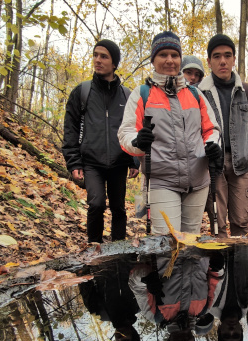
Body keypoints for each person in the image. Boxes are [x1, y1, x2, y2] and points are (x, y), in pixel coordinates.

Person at [119, 31, 221, 235]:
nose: (169, 60)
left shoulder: (195, 94)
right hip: (161, 179)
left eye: (174, 55)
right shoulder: (142, 94)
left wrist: (212, 144)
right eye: (163, 55)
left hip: (198, 179)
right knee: (167, 240)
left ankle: (193, 269)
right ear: (153, 59)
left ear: (180, 59)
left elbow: (212, 129)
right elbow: (125, 133)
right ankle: (166, 269)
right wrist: (138, 142)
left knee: (191, 240)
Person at [63, 39, 139, 243]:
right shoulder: (83, 92)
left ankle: (119, 250)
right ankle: (93, 248)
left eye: (104, 56)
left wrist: (134, 160)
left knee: (118, 207)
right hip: (91, 162)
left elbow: (134, 129)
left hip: (119, 161)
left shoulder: (127, 95)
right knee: (96, 204)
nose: (98, 60)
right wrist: (74, 161)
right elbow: (70, 128)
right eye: (95, 55)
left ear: (114, 63)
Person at [198, 34, 248, 238]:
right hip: (213, 165)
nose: (223, 61)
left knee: (241, 224)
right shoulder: (199, 92)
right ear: (209, 61)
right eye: (217, 56)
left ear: (234, 59)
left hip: (241, 165)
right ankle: (220, 269)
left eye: (228, 55)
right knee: (218, 226)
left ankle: (241, 269)